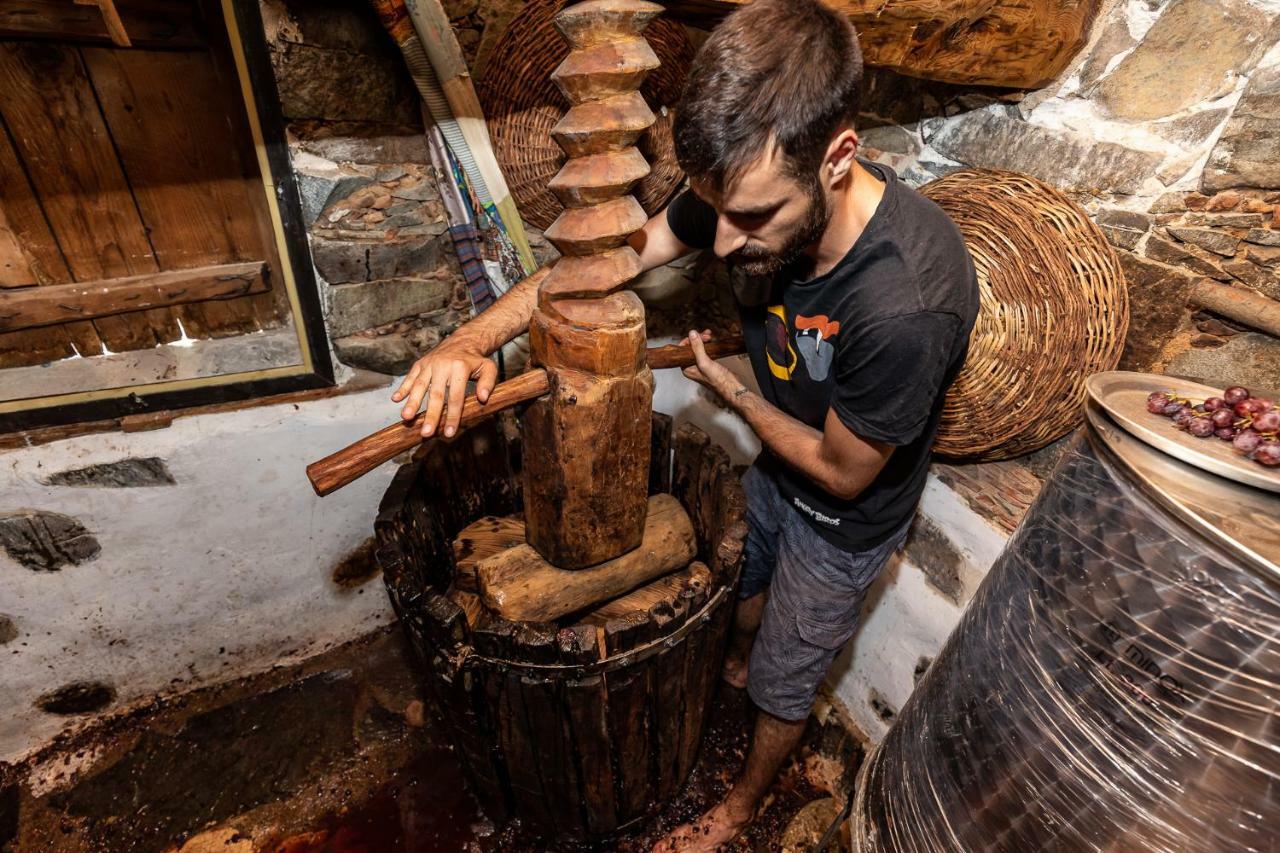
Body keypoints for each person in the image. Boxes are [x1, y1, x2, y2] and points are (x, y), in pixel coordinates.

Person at [392, 0, 978, 848]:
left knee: (786, 676)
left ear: (840, 156)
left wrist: (732, 392)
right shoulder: (740, 191)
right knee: (741, 593)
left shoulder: (907, 301)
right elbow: (593, 268)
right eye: (718, 212)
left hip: (846, 517)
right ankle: (736, 661)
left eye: (754, 218)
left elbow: (847, 471)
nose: (729, 242)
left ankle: (737, 807)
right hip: (782, 465)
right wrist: (469, 338)